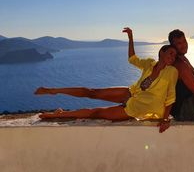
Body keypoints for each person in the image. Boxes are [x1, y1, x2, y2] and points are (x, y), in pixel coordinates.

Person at [34, 27, 178, 133]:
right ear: (161, 52)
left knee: (95, 113)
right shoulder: (149, 63)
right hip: (131, 94)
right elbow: (132, 59)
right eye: (170, 53)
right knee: (92, 92)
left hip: (137, 108)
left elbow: (170, 98)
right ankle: (52, 90)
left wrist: (165, 119)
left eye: (174, 56)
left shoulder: (172, 72)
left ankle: (58, 115)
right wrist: (130, 38)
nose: (172, 57)